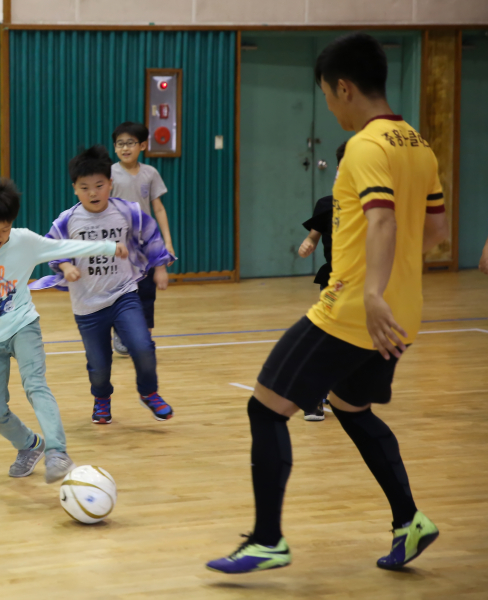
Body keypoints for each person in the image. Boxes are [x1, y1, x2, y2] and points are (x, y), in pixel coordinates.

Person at [206, 33, 448, 575]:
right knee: (350, 405)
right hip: (402, 315)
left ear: (343, 87)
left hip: (354, 313)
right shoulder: (417, 144)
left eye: (327, 95)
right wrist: (391, 284)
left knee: (265, 407)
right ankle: (409, 521)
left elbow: (383, 219)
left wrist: (368, 290)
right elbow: (435, 231)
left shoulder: (364, 146)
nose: (330, 107)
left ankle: (268, 539)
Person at [0, 177, 129, 483]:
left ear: (12, 223)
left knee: (35, 385)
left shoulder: (25, 241)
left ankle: (57, 452)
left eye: (4, 229)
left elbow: (64, 246)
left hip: (23, 326)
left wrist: (109, 247)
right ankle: (30, 445)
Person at [31, 145, 174, 425]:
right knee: (99, 366)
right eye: (85, 187)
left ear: (111, 184)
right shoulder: (68, 220)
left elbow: (151, 235)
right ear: (74, 188)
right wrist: (65, 265)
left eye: (99, 185)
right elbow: (52, 248)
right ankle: (102, 398)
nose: (93, 193)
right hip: (88, 305)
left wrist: (159, 267)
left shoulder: (128, 211)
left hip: (124, 295)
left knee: (143, 346)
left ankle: (149, 392)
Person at [109, 122, 175, 356]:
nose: (125, 148)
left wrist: (167, 242)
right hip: (118, 246)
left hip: (145, 244)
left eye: (130, 143)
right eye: (120, 143)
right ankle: (121, 331)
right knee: (121, 291)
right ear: (115, 147)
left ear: (143, 145)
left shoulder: (150, 173)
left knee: (146, 292)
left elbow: (158, 209)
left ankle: (144, 337)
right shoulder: (109, 174)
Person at [297, 141, 348, 422]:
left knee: (350, 342)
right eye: (341, 167)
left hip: (365, 283)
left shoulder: (372, 206)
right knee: (325, 334)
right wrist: (307, 244)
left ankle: (337, 390)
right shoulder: (326, 205)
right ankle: (313, 394)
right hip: (334, 281)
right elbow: (313, 237)